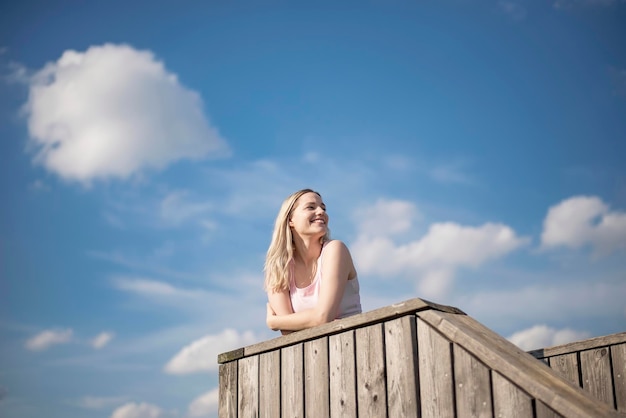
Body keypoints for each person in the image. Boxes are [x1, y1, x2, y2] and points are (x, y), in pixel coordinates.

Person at [264, 188, 362, 334]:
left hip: (352, 346)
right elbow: (287, 333)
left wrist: (275, 321)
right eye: (311, 207)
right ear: (290, 220)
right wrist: (307, 321)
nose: (321, 212)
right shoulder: (278, 268)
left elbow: (322, 317)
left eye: (323, 208)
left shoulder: (335, 249)